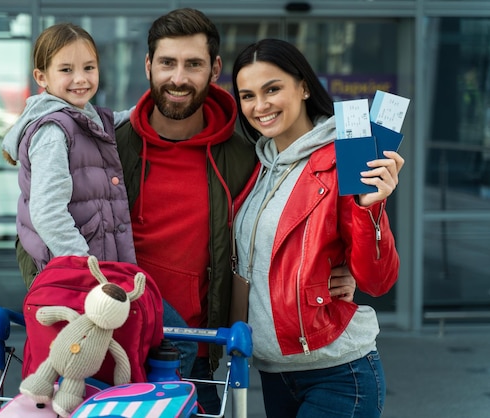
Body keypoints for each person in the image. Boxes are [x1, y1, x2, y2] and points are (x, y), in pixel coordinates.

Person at [115, 9, 357, 414]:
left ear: (214, 70)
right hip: (112, 345)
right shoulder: (110, 146)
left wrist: (343, 265)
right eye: (167, 63)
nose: (178, 77)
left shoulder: (247, 155)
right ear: (148, 67)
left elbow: (291, 218)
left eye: (193, 64)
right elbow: (43, 228)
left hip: (197, 357)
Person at [231, 38, 404, 417]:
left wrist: (370, 210)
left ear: (304, 87)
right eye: (247, 95)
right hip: (275, 372)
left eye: (272, 89)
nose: (260, 106)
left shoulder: (345, 158)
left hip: (338, 372)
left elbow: (378, 280)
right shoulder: (257, 166)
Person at [1, 23, 136, 289]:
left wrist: (151, 106)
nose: (81, 79)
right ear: (41, 77)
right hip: (74, 275)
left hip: (87, 269)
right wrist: (89, 272)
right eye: (66, 70)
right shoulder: (52, 131)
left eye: (89, 67)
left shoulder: (86, 115)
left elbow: (116, 120)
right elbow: (48, 213)